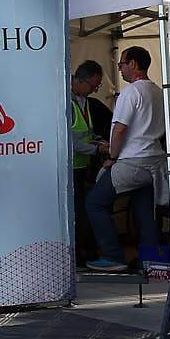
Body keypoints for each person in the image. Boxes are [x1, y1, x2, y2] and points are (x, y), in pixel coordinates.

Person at [85, 47, 165, 275]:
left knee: (95, 202)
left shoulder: (130, 93)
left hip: (133, 160)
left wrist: (111, 157)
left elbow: (119, 130)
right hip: (154, 161)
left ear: (132, 63)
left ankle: (112, 256)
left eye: (121, 64)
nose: (119, 69)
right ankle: (150, 263)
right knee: (145, 211)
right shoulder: (158, 91)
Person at [68, 62, 112, 262]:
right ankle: (80, 254)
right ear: (79, 80)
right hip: (71, 168)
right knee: (79, 212)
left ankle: (88, 250)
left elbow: (85, 132)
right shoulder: (65, 102)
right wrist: (97, 148)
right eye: (93, 86)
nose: (95, 90)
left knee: (87, 209)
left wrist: (97, 139)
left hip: (85, 166)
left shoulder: (85, 101)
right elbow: (72, 142)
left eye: (97, 86)